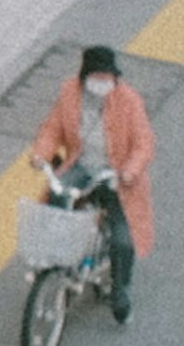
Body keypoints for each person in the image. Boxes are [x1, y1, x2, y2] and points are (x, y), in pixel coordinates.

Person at [26, 44, 157, 323]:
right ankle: (52, 260)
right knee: (56, 199)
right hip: (82, 165)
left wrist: (129, 173)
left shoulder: (129, 101)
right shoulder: (69, 92)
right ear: (85, 77)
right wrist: (41, 155)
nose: (103, 84)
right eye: (97, 79)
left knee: (122, 238)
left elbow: (144, 144)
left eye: (107, 79)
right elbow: (52, 129)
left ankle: (120, 290)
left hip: (116, 175)